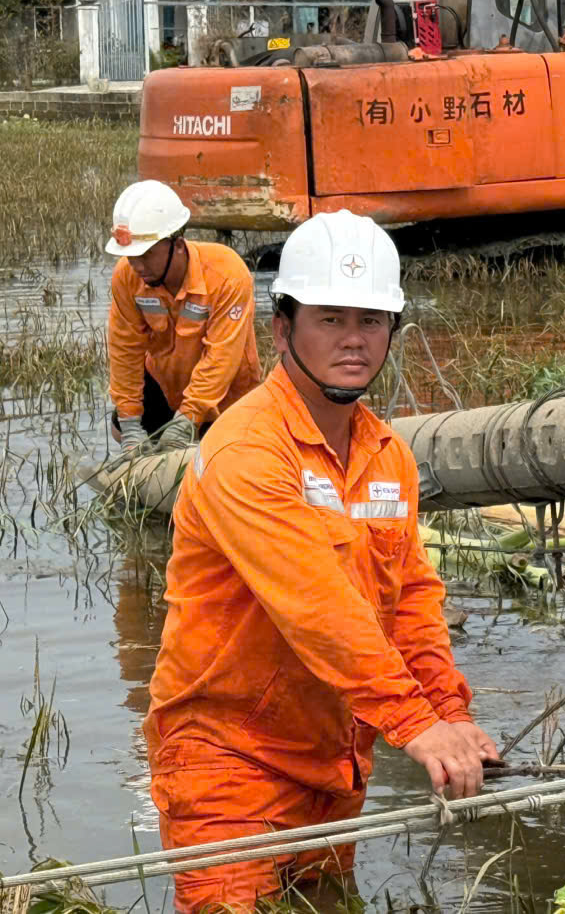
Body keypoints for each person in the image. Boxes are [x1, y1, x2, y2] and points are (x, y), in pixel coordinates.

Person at [144, 210, 497, 911]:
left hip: (334, 764)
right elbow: (318, 608)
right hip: (228, 760)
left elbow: (412, 601)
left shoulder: (386, 456)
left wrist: (450, 712)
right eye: (330, 319)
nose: (354, 341)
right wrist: (416, 725)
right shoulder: (249, 451)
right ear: (283, 330)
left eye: (371, 321)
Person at [106, 180, 262, 454]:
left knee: (225, 455)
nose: (136, 266)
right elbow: (124, 350)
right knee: (119, 426)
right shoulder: (127, 276)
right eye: (130, 256)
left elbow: (221, 358)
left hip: (226, 396)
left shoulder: (228, 275)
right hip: (168, 386)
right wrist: (131, 422)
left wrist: (188, 418)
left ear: (178, 245)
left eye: (145, 255)